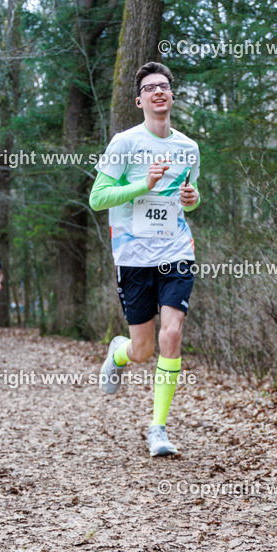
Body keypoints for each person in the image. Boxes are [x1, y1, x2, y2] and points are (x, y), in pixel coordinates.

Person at [90, 62, 201, 457]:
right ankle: (118, 352)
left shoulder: (188, 148)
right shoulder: (125, 143)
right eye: (150, 88)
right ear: (139, 100)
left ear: (171, 97)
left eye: (165, 86)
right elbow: (97, 197)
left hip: (176, 251)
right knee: (143, 351)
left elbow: (189, 196)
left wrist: (193, 198)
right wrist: (143, 184)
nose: (158, 92)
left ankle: (158, 428)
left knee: (171, 336)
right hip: (134, 256)